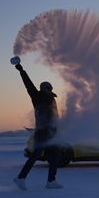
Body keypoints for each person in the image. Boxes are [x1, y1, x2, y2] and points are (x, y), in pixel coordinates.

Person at [13, 62, 63, 190]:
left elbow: (55, 117)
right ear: (42, 89)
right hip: (42, 133)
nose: (50, 90)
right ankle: (20, 178)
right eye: (47, 88)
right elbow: (28, 85)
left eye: (51, 88)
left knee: (56, 155)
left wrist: (58, 128)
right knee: (36, 155)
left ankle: (51, 181)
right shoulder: (37, 97)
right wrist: (21, 70)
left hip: (51, 133)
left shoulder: (52, 99)